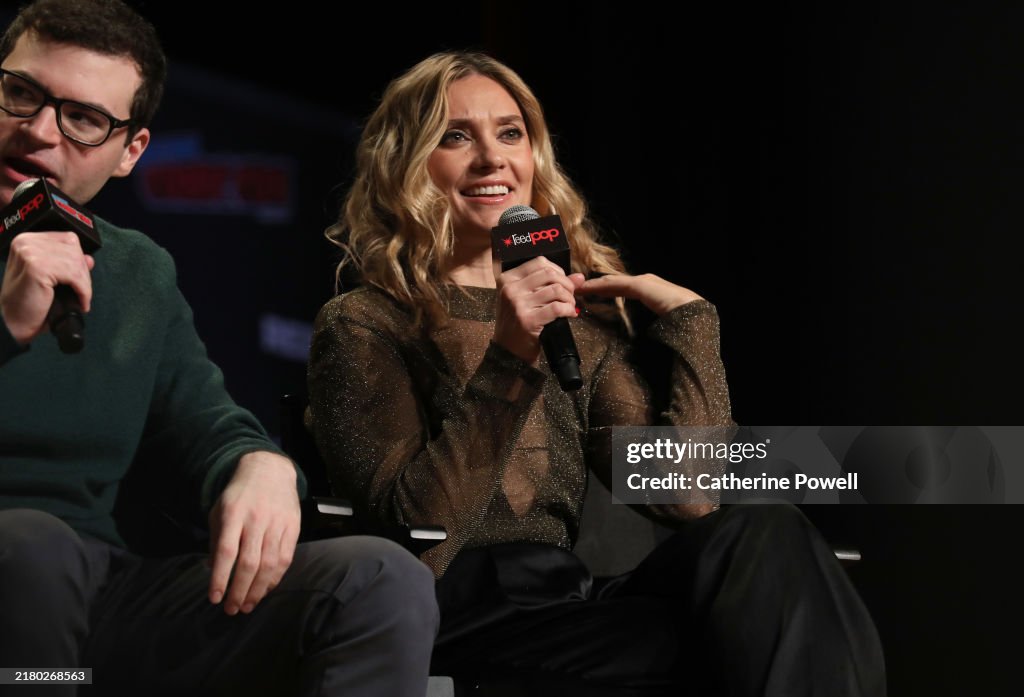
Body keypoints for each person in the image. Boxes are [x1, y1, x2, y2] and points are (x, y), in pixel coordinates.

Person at [308, 50, 886, 696]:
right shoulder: (366, 322)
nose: (493, 158)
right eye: (455, 137)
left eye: (510, 133)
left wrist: (694, 326)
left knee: (765, 532)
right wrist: (509, 353)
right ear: (408, 165)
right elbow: (423, 538)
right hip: (460, 615)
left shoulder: (576, 325)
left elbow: (686, 497)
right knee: (727, 643)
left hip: (572, 603)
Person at [0, 2, 437, 695]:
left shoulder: (136, 270)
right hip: (20, 572)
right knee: (30, 547)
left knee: (377, 578)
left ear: (131, 151)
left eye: (82, 118)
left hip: (98, 595)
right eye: (20, 93)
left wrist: (256, 462)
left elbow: (207, 423)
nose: (38, 131)